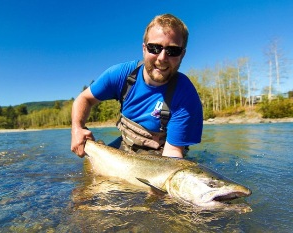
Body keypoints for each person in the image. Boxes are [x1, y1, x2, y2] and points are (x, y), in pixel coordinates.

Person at [71, 14, 203, 158]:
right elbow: (84, 98)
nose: (162, 58)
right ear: (144, 49)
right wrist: (77, 129)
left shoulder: (186, 96)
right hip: (125, 144)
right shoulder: (121, 75)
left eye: (173, 50)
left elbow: (173, 154)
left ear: (182, 54)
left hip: (162, 155)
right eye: (155, 48)